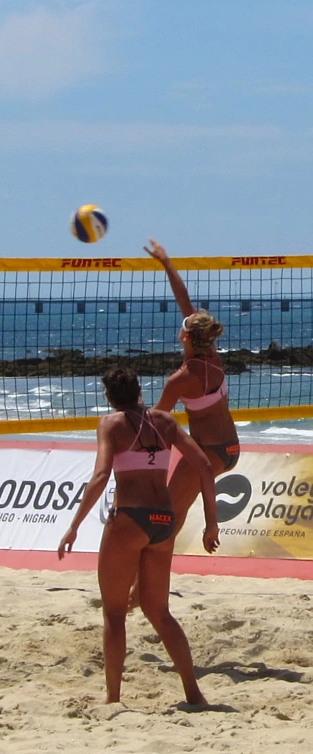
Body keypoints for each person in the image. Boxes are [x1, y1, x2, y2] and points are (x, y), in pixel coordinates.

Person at [57, 366, 219, 705]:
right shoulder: (165, 422)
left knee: (115, 614)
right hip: (164, 521)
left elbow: (101, 475)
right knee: (159, 612)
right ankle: (193, 692)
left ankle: (113, 699)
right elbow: (204, 466)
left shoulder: (110, 424)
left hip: (130, 519)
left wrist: (74, 525)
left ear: (109, 397)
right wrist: (211, 523)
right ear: (138, 391)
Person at [127, 239, 240, 609]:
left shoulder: (181, 378)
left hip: (208, 453)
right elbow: (185, 302)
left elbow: (157, 424)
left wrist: (130, 413)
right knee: (172, 513)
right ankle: (143, 587)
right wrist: (166, 263)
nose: (182, 324)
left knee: (166, 521)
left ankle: (143, 589)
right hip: (231, 448)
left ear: (186, 337)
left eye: (184, 326)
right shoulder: (214, 358)